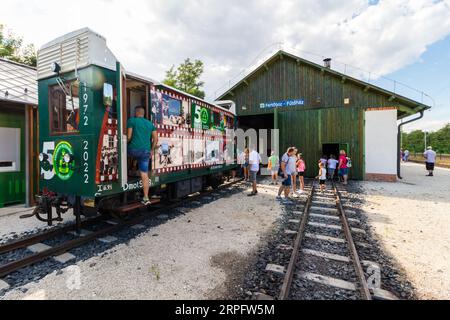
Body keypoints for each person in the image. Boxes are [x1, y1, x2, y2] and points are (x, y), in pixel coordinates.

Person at [127, 106, 158, 205]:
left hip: (133, 150)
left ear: (136, 113)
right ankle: (145, 198)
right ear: (143, 113)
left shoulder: (132, 121)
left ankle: (130, 170)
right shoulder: (150, 124)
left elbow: (128, 137)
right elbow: (156, 139)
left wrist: (122, 144)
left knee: (122, 153)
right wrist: (151, 150)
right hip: (145, 152)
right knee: (144, 174)